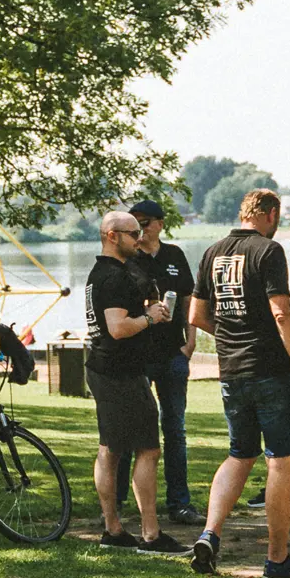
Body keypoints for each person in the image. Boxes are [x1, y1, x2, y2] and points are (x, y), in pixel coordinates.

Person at [187, 189, 290, 578]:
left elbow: (196, 314)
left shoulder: (213, 252)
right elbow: (282, 314)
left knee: (239, 454)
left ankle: (210, 534)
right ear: (271, 213)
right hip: (270, 372)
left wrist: (231, 335)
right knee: (280, 461)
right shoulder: (268, 251)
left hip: (232, 372)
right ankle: (277, 559)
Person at [84, 210, 187, 555]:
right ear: (112, 236)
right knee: (148, 450)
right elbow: (117, 327)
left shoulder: (100, 273)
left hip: (104, 368)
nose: (139, 237)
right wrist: (150, 317)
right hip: (120, 372)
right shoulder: (113, 277)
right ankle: (151, 535)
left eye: (141, 231)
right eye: (132, 233)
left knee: (110, 450)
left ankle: (113, 530)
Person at [112, 199, 200, 525]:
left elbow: (190, 299)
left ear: (160, 224)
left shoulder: (174, 256)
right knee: (130, 429)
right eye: (134, 224)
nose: (140, 229)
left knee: (174, 429)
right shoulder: (126, 259)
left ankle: (179, 504)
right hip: (138, 357)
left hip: (172, 355)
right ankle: (120, 501)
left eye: (146, 222)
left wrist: (190, 342)